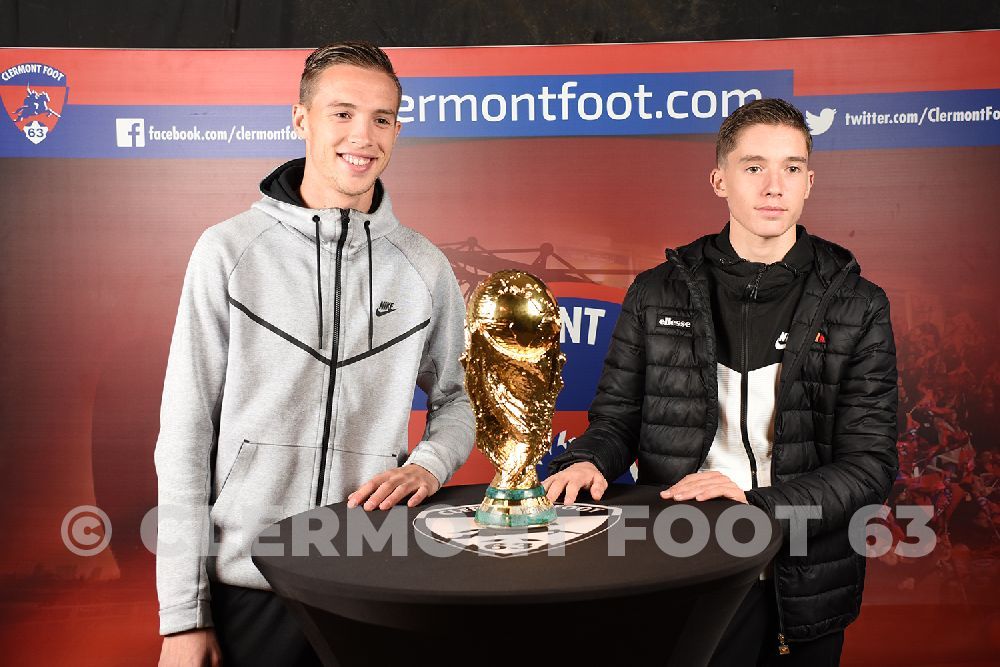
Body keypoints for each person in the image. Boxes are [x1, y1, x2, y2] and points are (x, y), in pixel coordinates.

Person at [544, 98, 898, 665]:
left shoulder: (860, 304)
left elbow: (870, 466)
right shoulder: (656, 292)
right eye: (754, 166)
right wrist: (587, 460)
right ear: (719, 179)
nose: (773, 185)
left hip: (805, 575)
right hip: (683, 558)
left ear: (809, 182)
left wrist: (757, 504)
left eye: (792, 167)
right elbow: (616, 423)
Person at [155, 42, 474, 666]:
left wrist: (431, 464)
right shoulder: (228, 251)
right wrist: (182, 616)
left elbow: (459, 399)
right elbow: (186, 435)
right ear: (301, 119)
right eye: (342, 113)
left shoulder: (424, 267)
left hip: (373, 584)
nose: (364, 135)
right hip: (250, 587)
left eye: (382, 119)